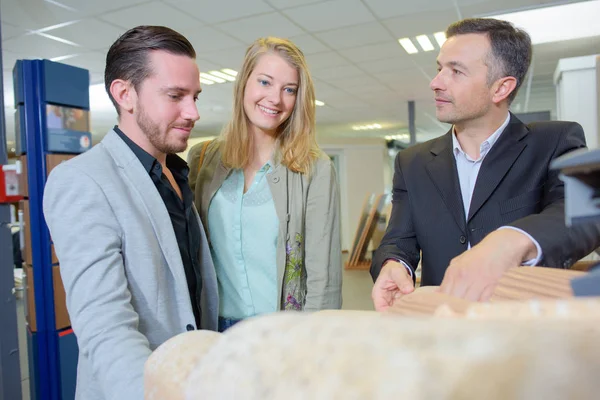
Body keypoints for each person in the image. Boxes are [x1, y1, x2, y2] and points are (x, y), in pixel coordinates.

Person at [371, 18, 600, 311]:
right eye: (440, 68)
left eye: (456, 71)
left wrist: (512, 240)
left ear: (501, 88)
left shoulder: (554, 141)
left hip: (524, 331)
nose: (436, 82)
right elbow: (398, 239)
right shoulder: (412, 162)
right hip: (441, 326)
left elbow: (577, 214)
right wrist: (394, 263)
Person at [43, 26, 218, 400]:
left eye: (195, 96)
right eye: (175, 96)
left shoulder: (180, 172)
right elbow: (106, 327)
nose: (193, 112)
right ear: (125, 94)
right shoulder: (81, 181)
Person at [189, 37, 342, 332]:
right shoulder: (203, 158)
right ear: (244, 82)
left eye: (289, 90)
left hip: (282, 334)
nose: (275, 98)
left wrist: (312, 344)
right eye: (265, 82)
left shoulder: (315, 168)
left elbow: (324, 280)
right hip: (213, 330)